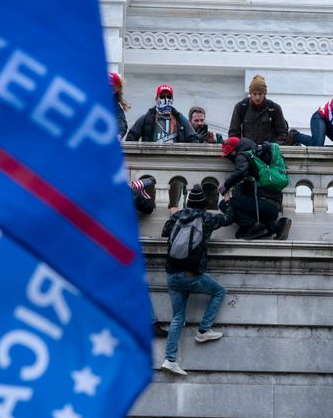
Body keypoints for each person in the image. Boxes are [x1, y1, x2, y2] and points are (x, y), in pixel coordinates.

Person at [160, 184, 233, 376]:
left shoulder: (177, 217)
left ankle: (170, 359)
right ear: (203, 205)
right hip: (191, 275)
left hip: (172, 275)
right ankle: (203, 330)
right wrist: (227, 201)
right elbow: (229, 219)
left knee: (178, 317)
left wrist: (173, 213)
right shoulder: (206, 218)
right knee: (219, 292)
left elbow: (165, 232)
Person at [219, 136, 292, 239]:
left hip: (261, 204)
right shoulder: (258, 152)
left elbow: (242, 171)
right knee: (240, 234)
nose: (229, 158)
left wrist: (225, 186)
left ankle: (254, 225)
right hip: (274, 205)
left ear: (234, 152)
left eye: (228, 155)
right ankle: (278, 225)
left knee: (223, 204)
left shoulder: (242, 156)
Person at [228, 74, 292, 145]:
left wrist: (274, 147)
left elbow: (282, 133)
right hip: (248, 151)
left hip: (268, 152)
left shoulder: (274, 108)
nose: (257, 97)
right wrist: (241, 147)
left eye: (260, 94)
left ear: (265, 94)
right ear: (250, 94)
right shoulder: (240, 107)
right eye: (254, 94)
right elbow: (233, 133)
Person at [124, 84, 194, 143]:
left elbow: (193, 138)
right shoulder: (146, 118)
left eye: (169, 97)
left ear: (172, 100)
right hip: (151, 157)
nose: (166, 99)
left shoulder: (180, 118)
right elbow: (131, 136)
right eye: (162, 96)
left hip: (174, 157)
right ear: (156, 99)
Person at [110, 72, 130, 140]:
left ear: (116, 89)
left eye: (111, 88)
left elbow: (122, 124)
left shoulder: (116, 108)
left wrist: (118, 136)